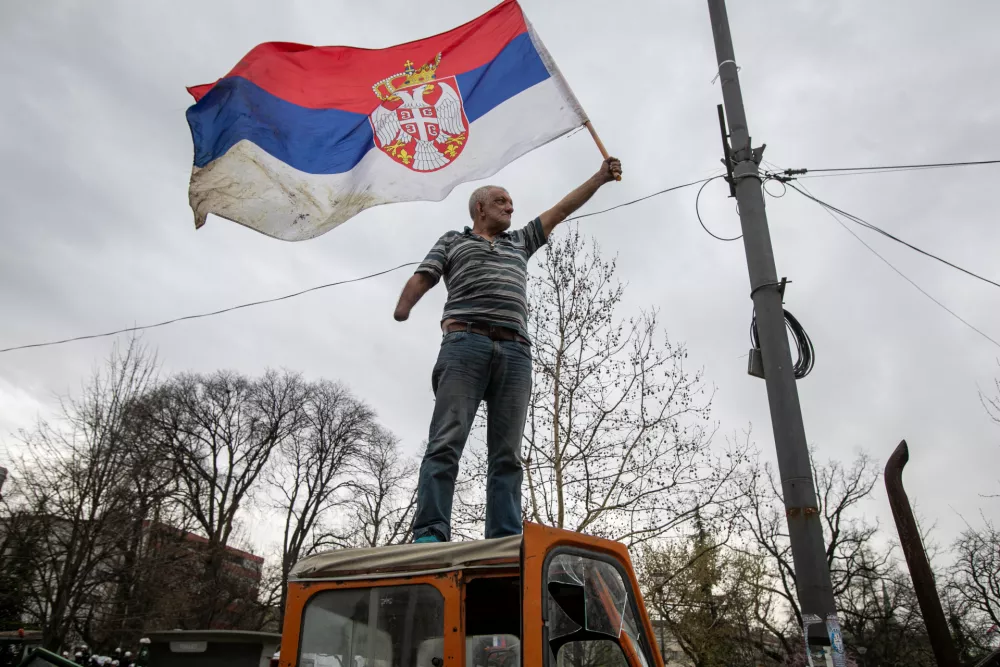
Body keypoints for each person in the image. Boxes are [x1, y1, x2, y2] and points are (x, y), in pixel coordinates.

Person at [395, 156, 623, 543]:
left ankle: (503, 537)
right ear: (480, 208)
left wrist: (600, 177)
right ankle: (431, 530)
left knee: (507, 454)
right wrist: (404, 307)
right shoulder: (453, 241)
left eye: (512, 203)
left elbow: (561, 209)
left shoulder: (520, 241)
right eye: (501, 201)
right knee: (447, 439)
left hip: (515, 351)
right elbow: (424, 275)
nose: (510, 208)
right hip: (465, 344)